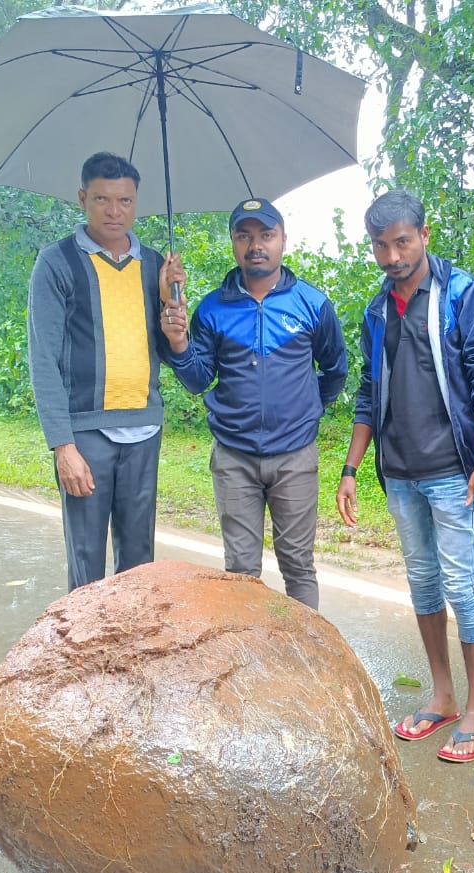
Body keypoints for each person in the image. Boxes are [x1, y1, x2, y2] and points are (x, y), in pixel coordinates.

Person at [337, 190, 474, 763]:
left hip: (452, 470)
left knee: (462, 586)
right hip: (400, 473)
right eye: (381, 245)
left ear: (424, 235)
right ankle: (443, 695)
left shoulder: (462, 293)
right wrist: (352, 467)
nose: (392, 256)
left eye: (402, 241)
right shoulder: (376, 309)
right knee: (423, 584)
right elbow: (367, 391)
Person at [165, 198, 347, 609]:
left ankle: (306, 660)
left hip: (296, 457)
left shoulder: (312, 304)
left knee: (298, 566)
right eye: (244, 236)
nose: (256, 245)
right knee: (241, 571)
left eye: (266, 235)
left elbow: (335, 368)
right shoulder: (212, 308)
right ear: (233, 242)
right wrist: (178, 344)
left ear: (283, 240)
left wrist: (307, 410)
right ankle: (249, 662)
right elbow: (197, 379)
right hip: (234, 457)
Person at [27, 151, 187, 590]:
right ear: (82, 198)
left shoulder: (156, 265)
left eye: (125, 201)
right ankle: (84, 656)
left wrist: (175, 317)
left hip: (144, 429)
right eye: (102, 199)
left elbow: (174, 355)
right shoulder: (57, 263)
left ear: (137, 202)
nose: (115, 212)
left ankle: (133, 654)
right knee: (86, 563)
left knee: (140, 564)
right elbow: (43, 359)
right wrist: (63, 446)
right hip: (85, 434)